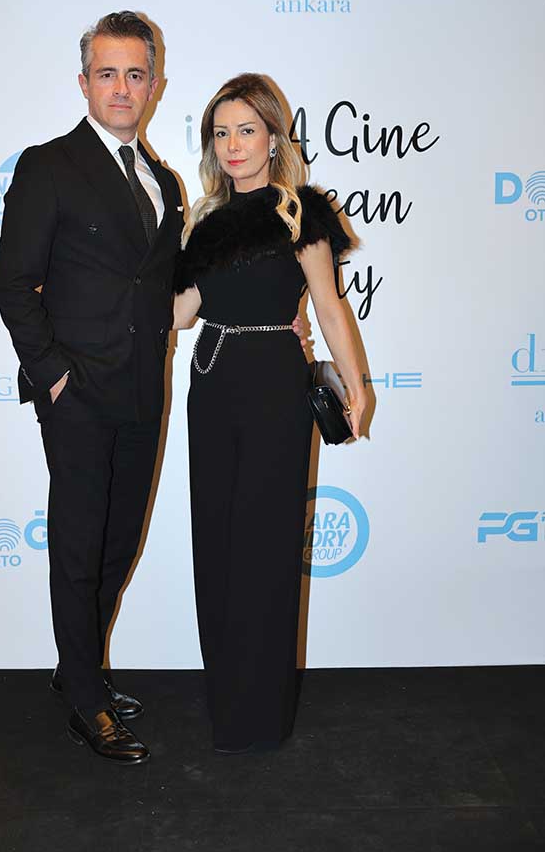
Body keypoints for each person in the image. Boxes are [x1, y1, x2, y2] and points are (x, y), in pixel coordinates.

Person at [0, 12, 184, 764]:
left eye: (136, 74)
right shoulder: (49, 166)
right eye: (108, 73)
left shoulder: (165, 181)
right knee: (78, 543)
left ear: (155, 85)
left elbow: (163, 288)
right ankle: (84, 698)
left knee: (119, 540)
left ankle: (79, 669)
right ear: (83, 83)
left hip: (142, 389)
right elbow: (12, 286)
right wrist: (54, 376)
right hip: (77, 393)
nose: (122, 88)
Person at [173, 73, 367, 754]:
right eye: (221, 133)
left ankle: (261, 713)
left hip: (275, 389)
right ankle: (228, 705)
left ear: (273, 138)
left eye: (246, 130)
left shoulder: (300, 213)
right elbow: (182, 312)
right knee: (217, 542)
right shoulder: (204, 221)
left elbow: (329, 306)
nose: (232, 145)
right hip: (212, 381)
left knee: (266, 544)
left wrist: (357, 386)